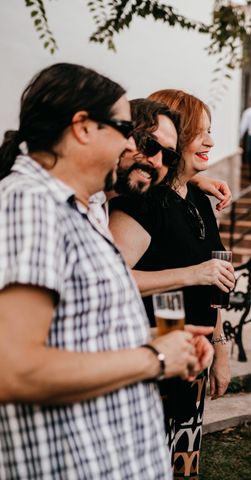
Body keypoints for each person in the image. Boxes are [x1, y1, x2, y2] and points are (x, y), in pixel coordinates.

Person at [0, 63, 209, 478]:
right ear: (82, 127)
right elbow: (13, 370)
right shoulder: (30, 204)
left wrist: (162, 341)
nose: (134, 146)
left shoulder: (83, 209)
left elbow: (76, 334)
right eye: (125, 129)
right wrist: (154, 357)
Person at [109, 89, 235, 478]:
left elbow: (213, 280)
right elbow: (110, 280)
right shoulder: (143, 199)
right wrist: (192, 273)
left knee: (182, 467)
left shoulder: (198, 198)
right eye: (201, 133)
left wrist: (220, 347)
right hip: (149, 362)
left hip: (191, 361)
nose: (211, 142)